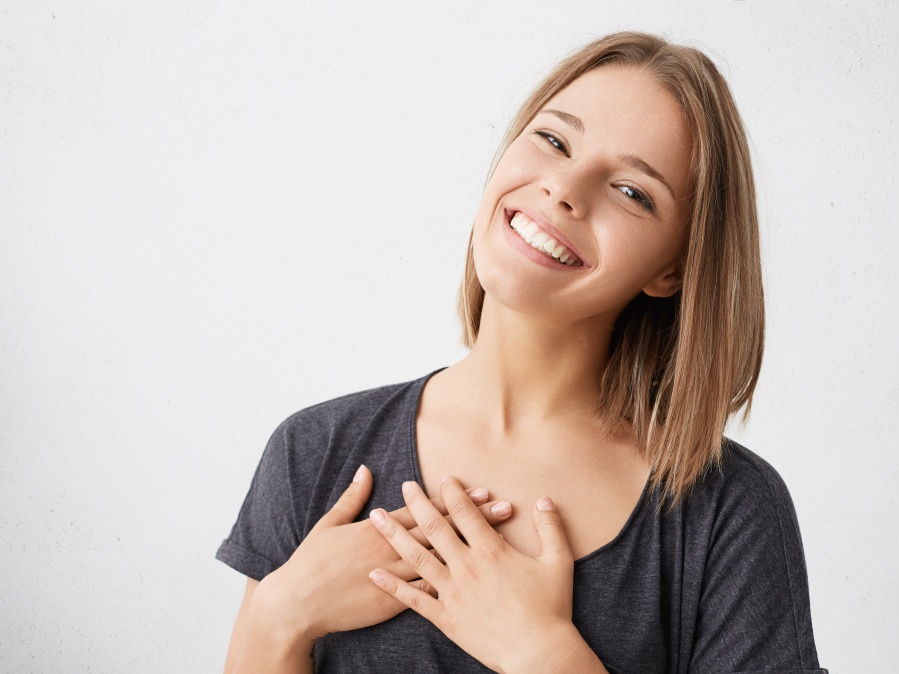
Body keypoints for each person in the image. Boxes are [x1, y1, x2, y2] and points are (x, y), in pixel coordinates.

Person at [217, 31, 826, 674]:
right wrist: (280, 613)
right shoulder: (314, 451)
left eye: (631, 191)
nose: (564, 188)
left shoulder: (729, 510)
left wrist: (542, 651)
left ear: (673, 268)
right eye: (554, 141)